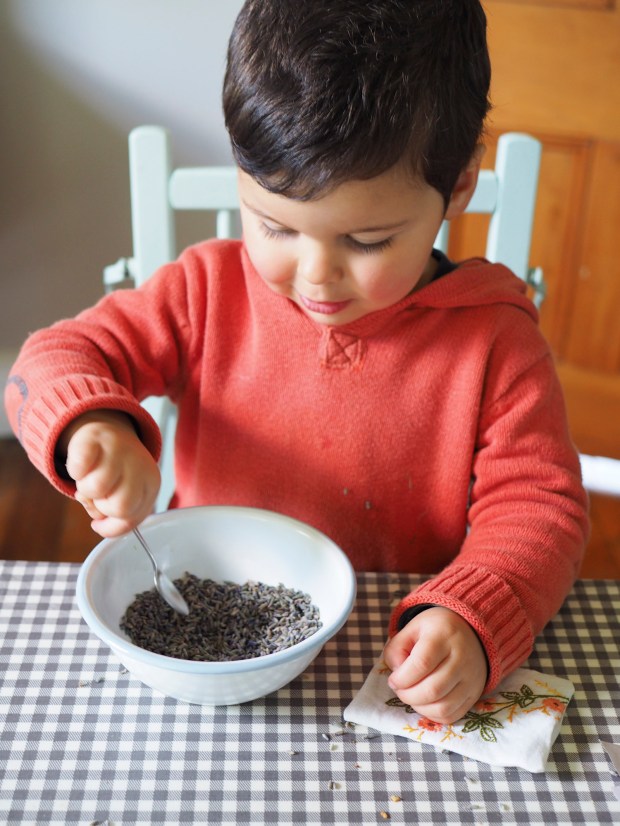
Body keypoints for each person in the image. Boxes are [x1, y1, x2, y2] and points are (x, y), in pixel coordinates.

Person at [4, 0, 588, 725]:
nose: (316, 276)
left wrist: (473, 616)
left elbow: (540, 509)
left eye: (368, 241)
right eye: (275, 225)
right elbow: (52, 357)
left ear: (460, 183)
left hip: (387, 654)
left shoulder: (494, 344)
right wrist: (90, 426)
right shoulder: (204, 291)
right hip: (210, 665)